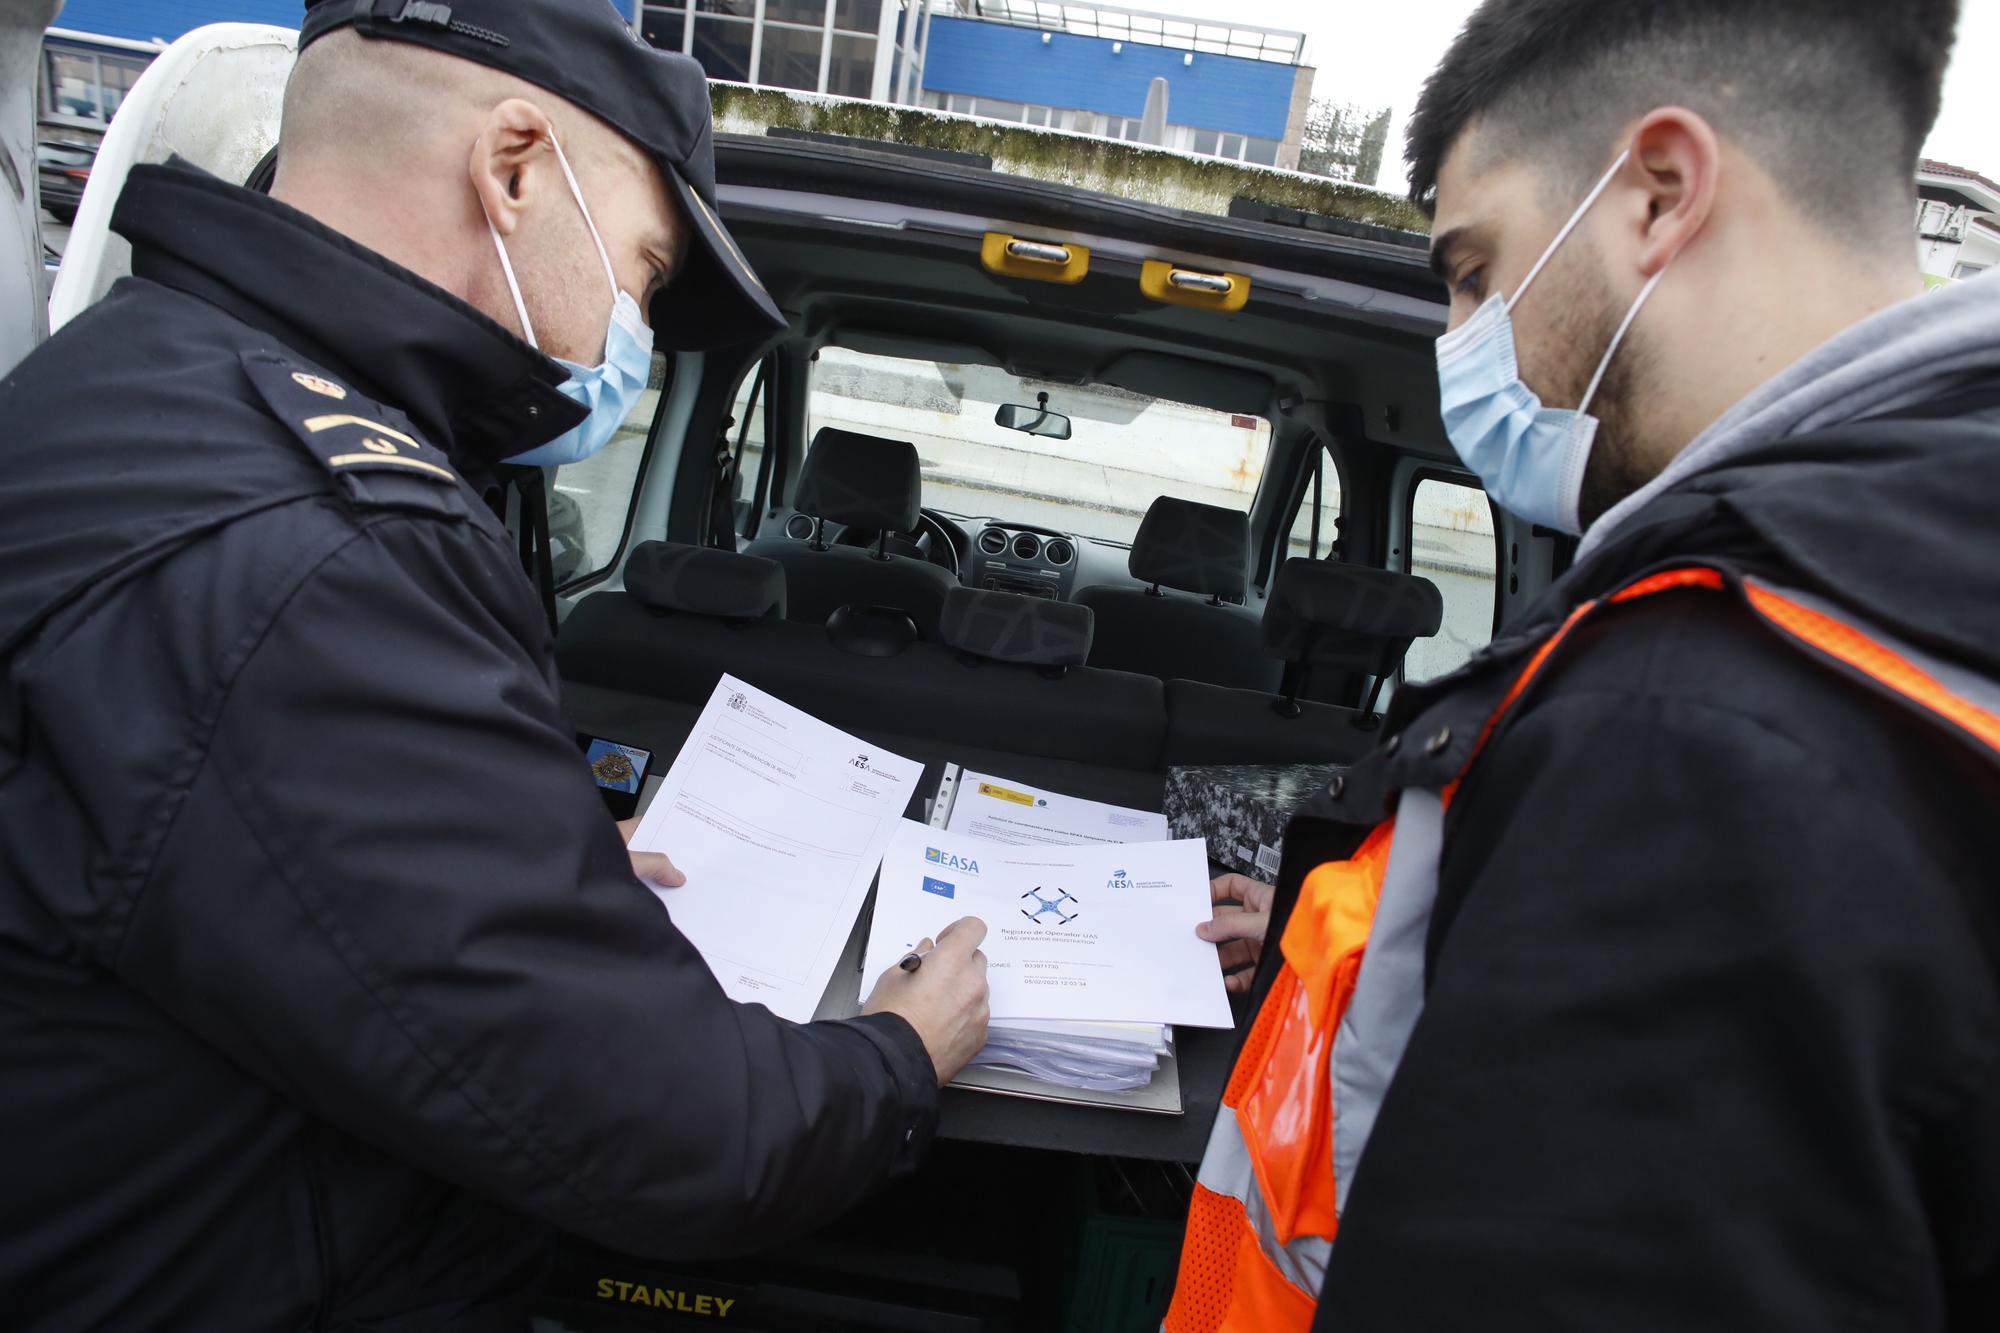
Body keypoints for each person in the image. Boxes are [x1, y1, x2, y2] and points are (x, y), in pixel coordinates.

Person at [0, 1, 989, 1327]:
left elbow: (238, 843)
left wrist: (525, 854)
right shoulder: (319, 551)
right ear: (514, 169)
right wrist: (904, 1051)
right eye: (641, 272)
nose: (624, 337)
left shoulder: (138, 380)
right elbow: (688, 1134)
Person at [1174, 0, 1999, 1328]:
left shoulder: (1692, 731)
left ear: (1661, 194)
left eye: (1473, 269)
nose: (1459, 341)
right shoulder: (1927, 582)